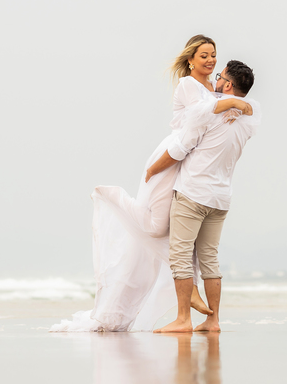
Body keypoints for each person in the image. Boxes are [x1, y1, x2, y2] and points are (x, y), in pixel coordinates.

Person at [51, 37, 253, 332]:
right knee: (158, 227)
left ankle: (192, 297)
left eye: (213, 55)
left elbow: (219, 115)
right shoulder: (188, 85)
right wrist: (234, 102)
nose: (211, 61)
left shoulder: (213, 88)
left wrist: (234, 105)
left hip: (188, 163)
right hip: (171, 155)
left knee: (180, 238)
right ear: (190, 60)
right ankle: (114, 196)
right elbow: (200, 114)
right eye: (204, 55)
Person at [147, 60, 259, 334]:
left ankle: (183, 319)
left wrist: (151, 170)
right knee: (209, 258)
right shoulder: (250, 117)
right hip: (221, 198)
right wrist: (238, 105)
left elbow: (180, 149)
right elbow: (248, 108)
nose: (215, 80)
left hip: (193, 192)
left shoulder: (209, 114)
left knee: (180, 255)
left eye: (220, 77)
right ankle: (213, 320)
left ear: (228, 85)